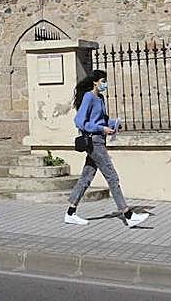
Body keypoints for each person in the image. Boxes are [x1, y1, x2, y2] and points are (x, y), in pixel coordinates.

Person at [64, 69, 149, 228]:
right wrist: (101, 129)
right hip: (94, 142)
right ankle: (128, 214)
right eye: (103, 81)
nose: (105, 84)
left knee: (86, 177)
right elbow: (80, 122)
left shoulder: (100, 98)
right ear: (95, 82)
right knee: (112, 176)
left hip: (100, 140)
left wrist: (113, 124)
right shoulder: (89, 97)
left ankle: (70, 213)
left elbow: (103, 120)